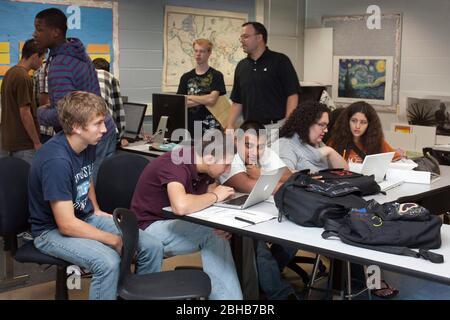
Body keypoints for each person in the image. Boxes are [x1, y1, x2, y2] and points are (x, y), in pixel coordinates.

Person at [28, 91, 163, 300]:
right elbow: (66, 224)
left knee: (152, 247)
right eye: (98, 123)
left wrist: (96, 209)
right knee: (108, 262)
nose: (105, 129)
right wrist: (112, 239)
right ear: (76, 127)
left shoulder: (87, 144)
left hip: (83, 217)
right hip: (50, 231)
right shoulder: (56, 161)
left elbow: (86, 175)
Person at [131, 132, 243, 300]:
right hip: (145, 230)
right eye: (226, 164)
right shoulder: (176, 162)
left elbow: (204, 191)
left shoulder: (203, 166)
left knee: (219, 233)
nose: (228, 170)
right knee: (213, 234)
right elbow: (180, 206)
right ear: (209, 158)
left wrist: (218, 197)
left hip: (170, 224)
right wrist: (215, 196)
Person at [33, 7, 117, 181]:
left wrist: (41, 113)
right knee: (99, 187)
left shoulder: (60, 65)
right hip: (103, 127)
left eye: (39, 29)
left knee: (83, 191)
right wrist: (55, 106)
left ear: (55, 32)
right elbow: (83, 101)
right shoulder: (81, 55)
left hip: (91, 134)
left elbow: (66, 116)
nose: (34, 34)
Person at [220, 121, 299, 300]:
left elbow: (290, 176)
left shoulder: (263, 152)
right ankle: (282, 294)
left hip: (262, 210)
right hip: (231, 218)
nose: (254, 152)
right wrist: (265, 176)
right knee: (257, 243)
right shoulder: (227, 157)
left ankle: (264, 277)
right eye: (248, 145)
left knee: (296, 230)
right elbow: (249, 185)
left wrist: (262, 174)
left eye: (260, 147)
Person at [227, 22, 300, 132]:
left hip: (275, 128)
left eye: (245, 36)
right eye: (241, 37)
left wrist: (288, 124)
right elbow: (237, 101)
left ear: (259, 37)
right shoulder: (241, 66)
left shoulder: (280, 61)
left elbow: (292, 94)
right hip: (249, 129)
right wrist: (230, 125)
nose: (242, 40)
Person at [0, 39, 45, 164]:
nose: (42, 63)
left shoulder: (10, 73)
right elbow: (25, 113)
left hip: (7, 140)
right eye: (42, 59)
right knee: (27, 181)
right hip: (23, 144)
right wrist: (36, 142)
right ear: (35, 56)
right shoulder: (24, 77)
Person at [272, 101, 349, 173]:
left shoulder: (318, 142)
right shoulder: (286, 144)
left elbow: (345, 172)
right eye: (322, 125)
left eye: (326, 125)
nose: (326, 130)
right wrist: (307, 178)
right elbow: (283, 176)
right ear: (306, 123)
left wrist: (330, 151)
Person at [177, 39, 226, 138]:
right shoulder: (186, 77)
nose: (198, 54)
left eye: (202, 51)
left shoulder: (216, 75)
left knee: (210, 153)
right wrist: (205, 99)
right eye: (196, 51)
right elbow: (181, 103)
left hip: (211, 128)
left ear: (209, 53)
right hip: (190, 127)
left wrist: (189, 97)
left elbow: (212, 100)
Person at [327, 101, 404, 163]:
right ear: (347, 121)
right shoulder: (335, 142)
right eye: (354, 121)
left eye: (363, 122)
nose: (357, 126)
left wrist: (400, 154)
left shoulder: (377, 142)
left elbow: (396, 157)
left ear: (369, 125)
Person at [92, 58, 126, 147]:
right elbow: (119, 110)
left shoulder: (83, 77)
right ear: (108, 70)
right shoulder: (110, 77)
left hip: (85, 131)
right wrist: (120, 137)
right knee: (106, 160)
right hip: (105, 129)